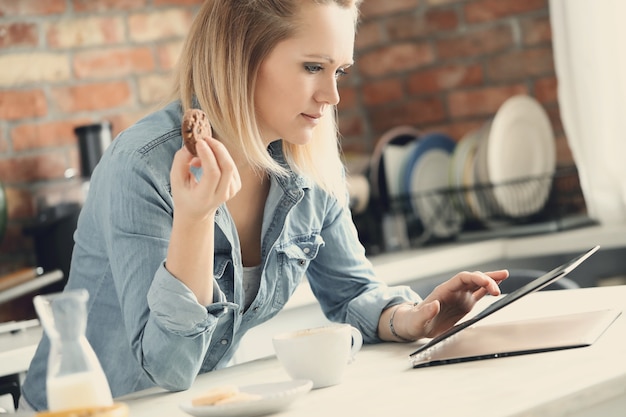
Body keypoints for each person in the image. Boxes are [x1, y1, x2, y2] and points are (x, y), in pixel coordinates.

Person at [20, 0, 507, 411]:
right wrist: (194, 218)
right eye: (313, 67)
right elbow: (167, 368)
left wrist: (413, 317)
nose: (331, 95)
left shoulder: (311, 163)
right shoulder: (143, 166)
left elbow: (352, 291)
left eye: (339, 71)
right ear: (241, 56)